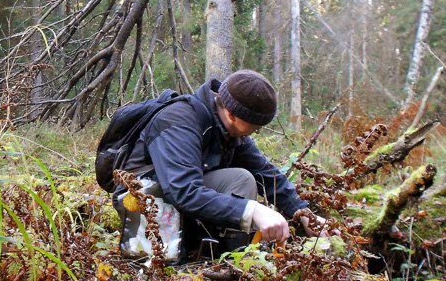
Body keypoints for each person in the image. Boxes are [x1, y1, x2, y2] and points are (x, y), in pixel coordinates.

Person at [113, 70, 333, 257]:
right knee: (239, 192)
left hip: (178, 199)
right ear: (231, 114)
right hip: (144, 199)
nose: (257, 131)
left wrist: (305, 215)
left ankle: (231, 260)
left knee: (241, 178)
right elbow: (184, 191)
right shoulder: (179, 121)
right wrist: (252, 210)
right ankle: (165, 256)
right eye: (255, 126)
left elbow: (266, 174)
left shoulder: (229, 130)